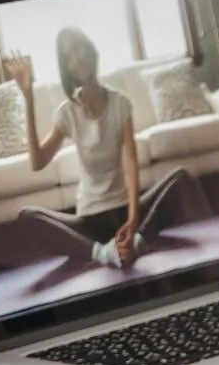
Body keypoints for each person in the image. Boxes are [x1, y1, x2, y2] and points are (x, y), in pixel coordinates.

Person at [10, 27, 194, 270]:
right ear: (67, 68)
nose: (77, 58)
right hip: (89, 221)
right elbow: (37, 162)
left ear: (90, 50)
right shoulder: (67, 113)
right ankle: (103, 253)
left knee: (180, 179)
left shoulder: (121, 104)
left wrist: (133, 219)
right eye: (69, 57)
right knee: (28, 217)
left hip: (124, 213)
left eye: (80, 49)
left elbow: (130, 161)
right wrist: (28, 96)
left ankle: (136, 242)